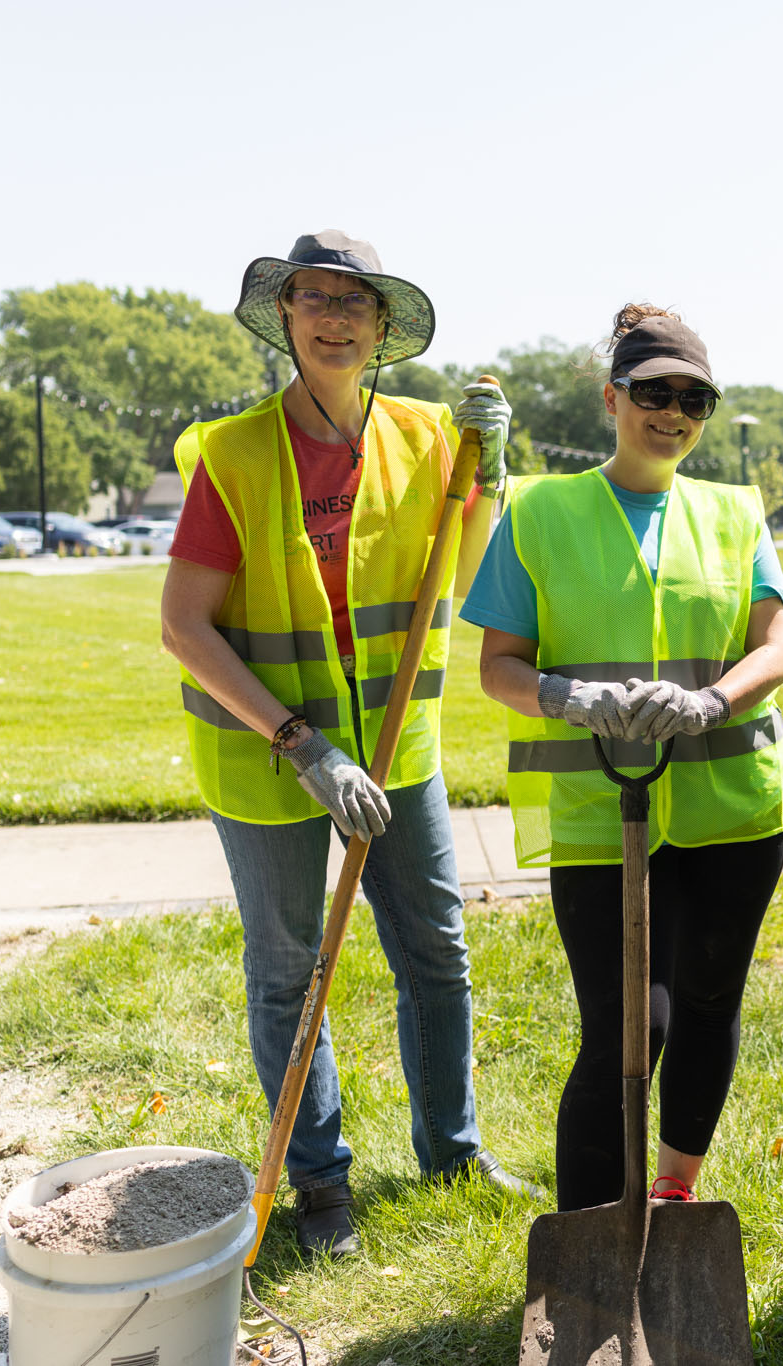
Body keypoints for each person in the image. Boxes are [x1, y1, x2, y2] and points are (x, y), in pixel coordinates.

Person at [161, 231, 541, 1257]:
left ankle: (453, 1152)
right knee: (290, 969)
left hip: (393, 750)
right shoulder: (235, 455)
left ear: (380, 330)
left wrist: (487, 477)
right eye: (313, 297)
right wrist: (301, 745)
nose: (334, 314)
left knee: (435, 949)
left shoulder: (426, 437)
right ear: (284, 316)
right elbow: (183, 625)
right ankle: (321, 1183)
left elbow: (457, 577)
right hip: (265, 757)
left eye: (355, 302)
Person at [468, 304, 783, 1212]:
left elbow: (776, 648)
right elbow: (497, 665)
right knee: (624, 1029)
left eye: (695, 398)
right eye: (654, 392)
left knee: (705, 1007)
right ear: (613, 397)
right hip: (593, 813)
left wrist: (709, 702)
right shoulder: (540, 509)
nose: (674, 413)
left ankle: (674, 1197)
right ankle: (590, 1236)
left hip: (734, 808)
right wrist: (573, 698)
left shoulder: (735, 513)